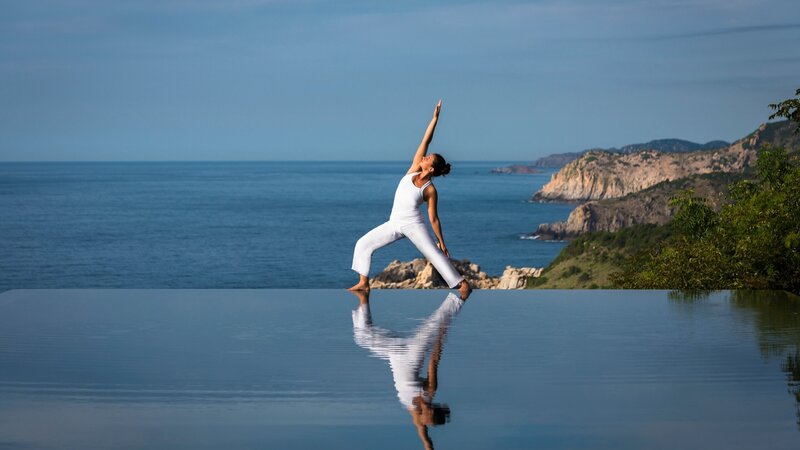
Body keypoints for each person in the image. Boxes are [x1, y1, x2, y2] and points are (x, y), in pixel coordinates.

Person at [348, 100, 472, 300]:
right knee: (363, 244)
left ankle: (463, 285)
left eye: (428, 158)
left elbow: (434, 219)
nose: (424, 157)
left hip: (414, 225)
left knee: (435, 256)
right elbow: (425, 141)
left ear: (431, 169)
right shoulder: (413, 169)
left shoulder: (429, 189)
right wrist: (435, 119)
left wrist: (441, 242)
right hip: (394, 223)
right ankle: (364, 282)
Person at [350, 289, 464, 450]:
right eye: (427, 421)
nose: (424, 423)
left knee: (362, 336)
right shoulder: (430, 391)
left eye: (425, 424)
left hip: (392, 352)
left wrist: (428, 445)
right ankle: (462, 296)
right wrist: (440, 339)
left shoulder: (415, 414)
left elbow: (425, 439)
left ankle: (364, 297)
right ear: (430, 413)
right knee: (435, 323)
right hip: (412, 354)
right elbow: (434, 361)